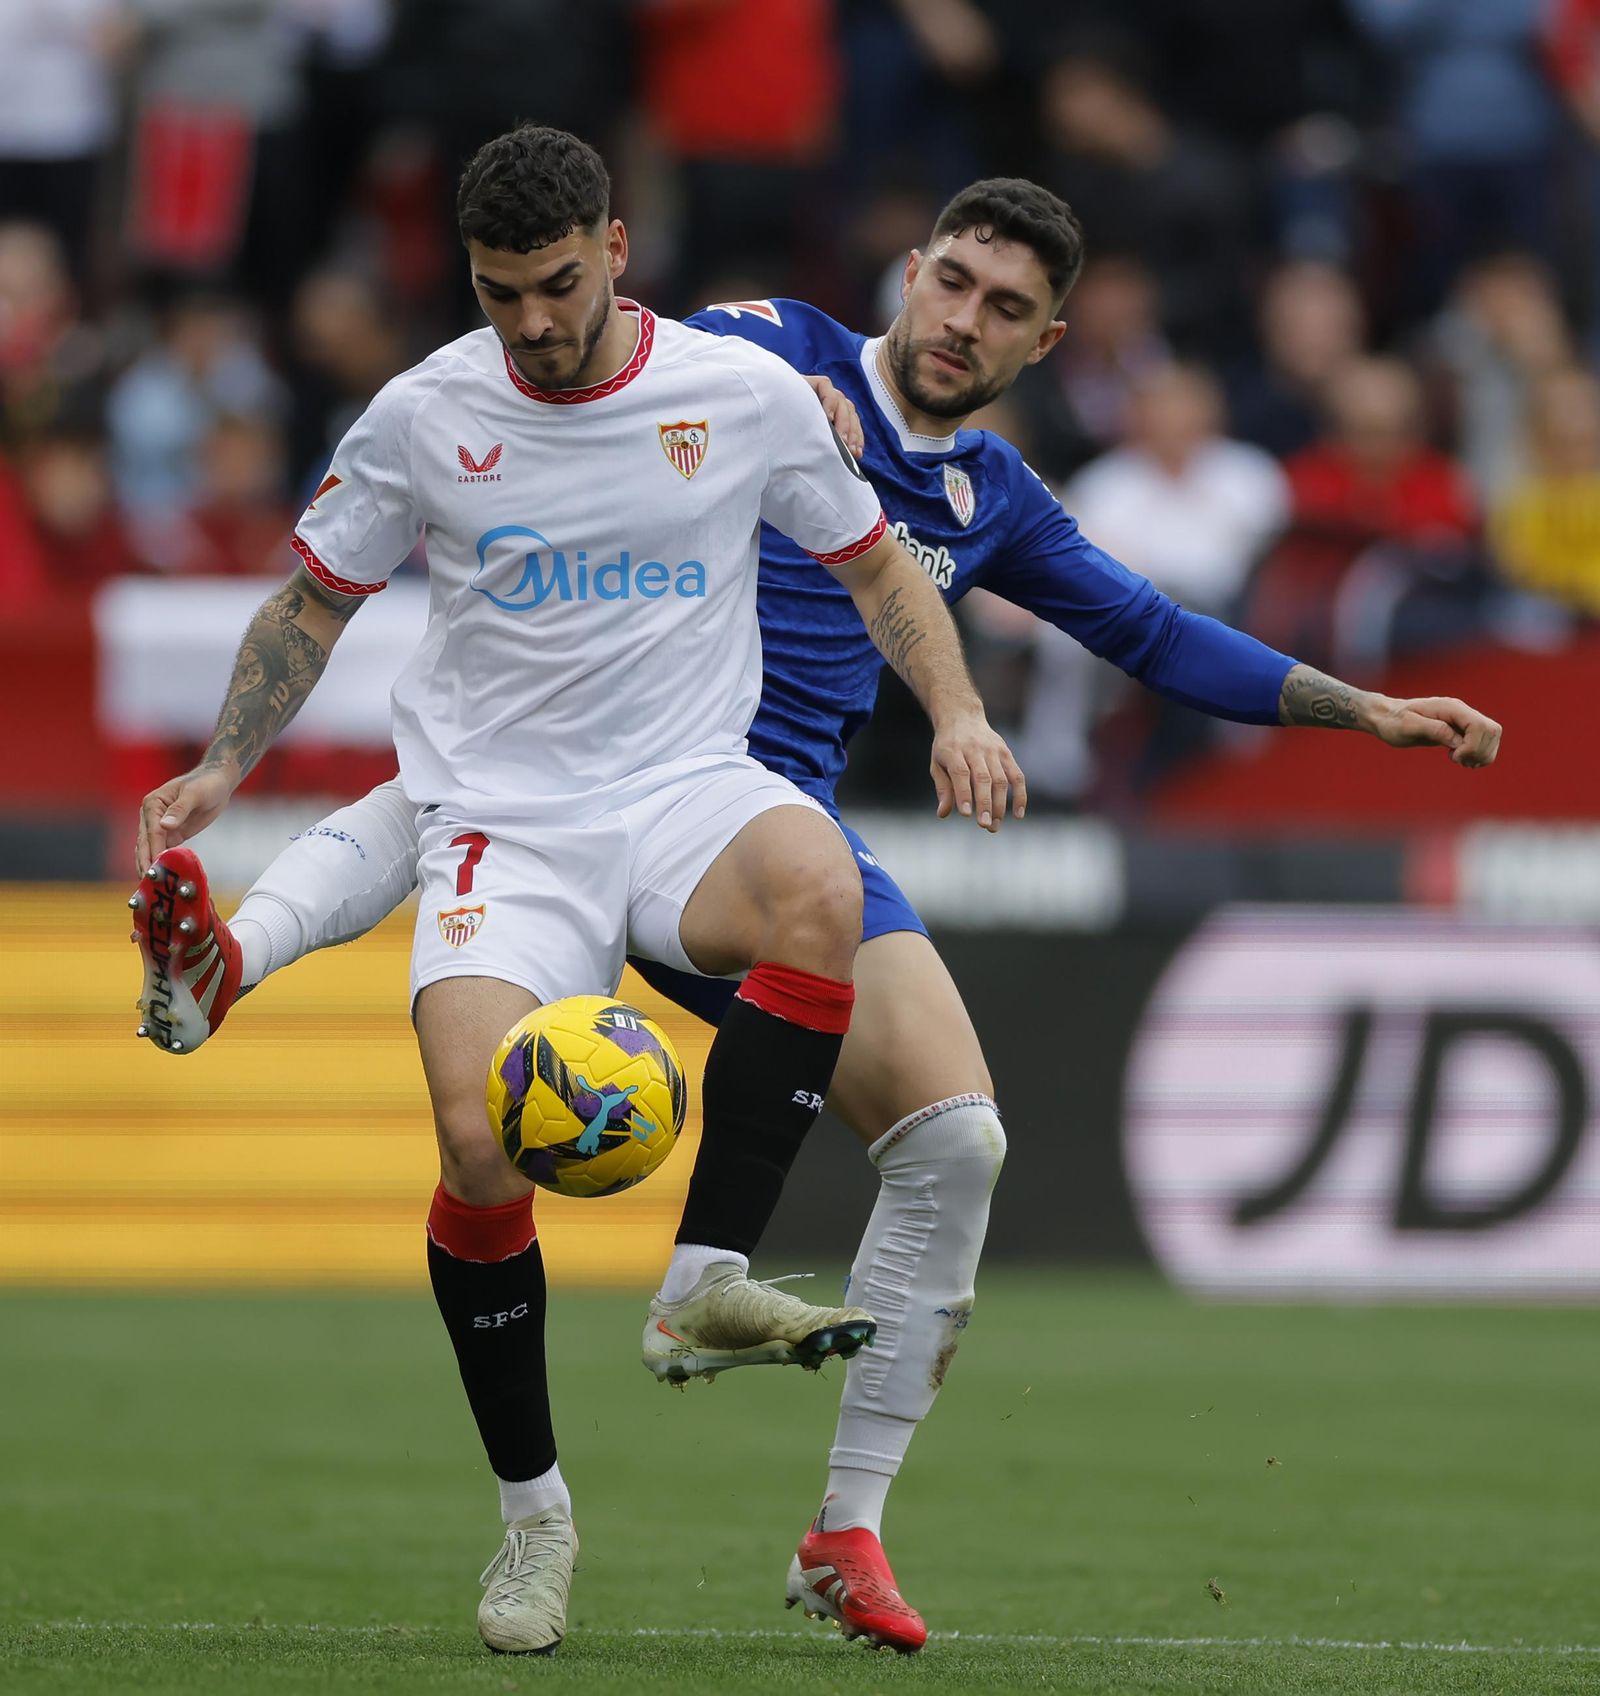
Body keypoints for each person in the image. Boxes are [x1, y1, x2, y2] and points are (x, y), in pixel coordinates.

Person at [131, 175, 1503, 1656]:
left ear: (1045, 344)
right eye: (953, 281)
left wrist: (1362, 707)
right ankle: (580, 1425)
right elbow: (624, 353)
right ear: (910, 269)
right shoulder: (765, 353)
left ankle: (842, 1526)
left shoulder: (990, 500)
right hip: (620, 793)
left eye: (1006, 309)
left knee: (959, 1141)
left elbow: (1152, 632)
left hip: (751, 830)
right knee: (486, 1077)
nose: (964, 320)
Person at [127, 126, 1023, 1658]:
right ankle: (534, 1517)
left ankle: (702, 1284)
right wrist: (222, 762)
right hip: (502, 824)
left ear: (615, 247)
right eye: (499, 294)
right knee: (481, 1142)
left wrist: (958, 712)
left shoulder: (736, 394)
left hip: (686, 787)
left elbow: (881, 569)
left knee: (817, 880)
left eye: (556, 285)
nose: (533, 323)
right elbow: (312, 601)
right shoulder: (425, 413)